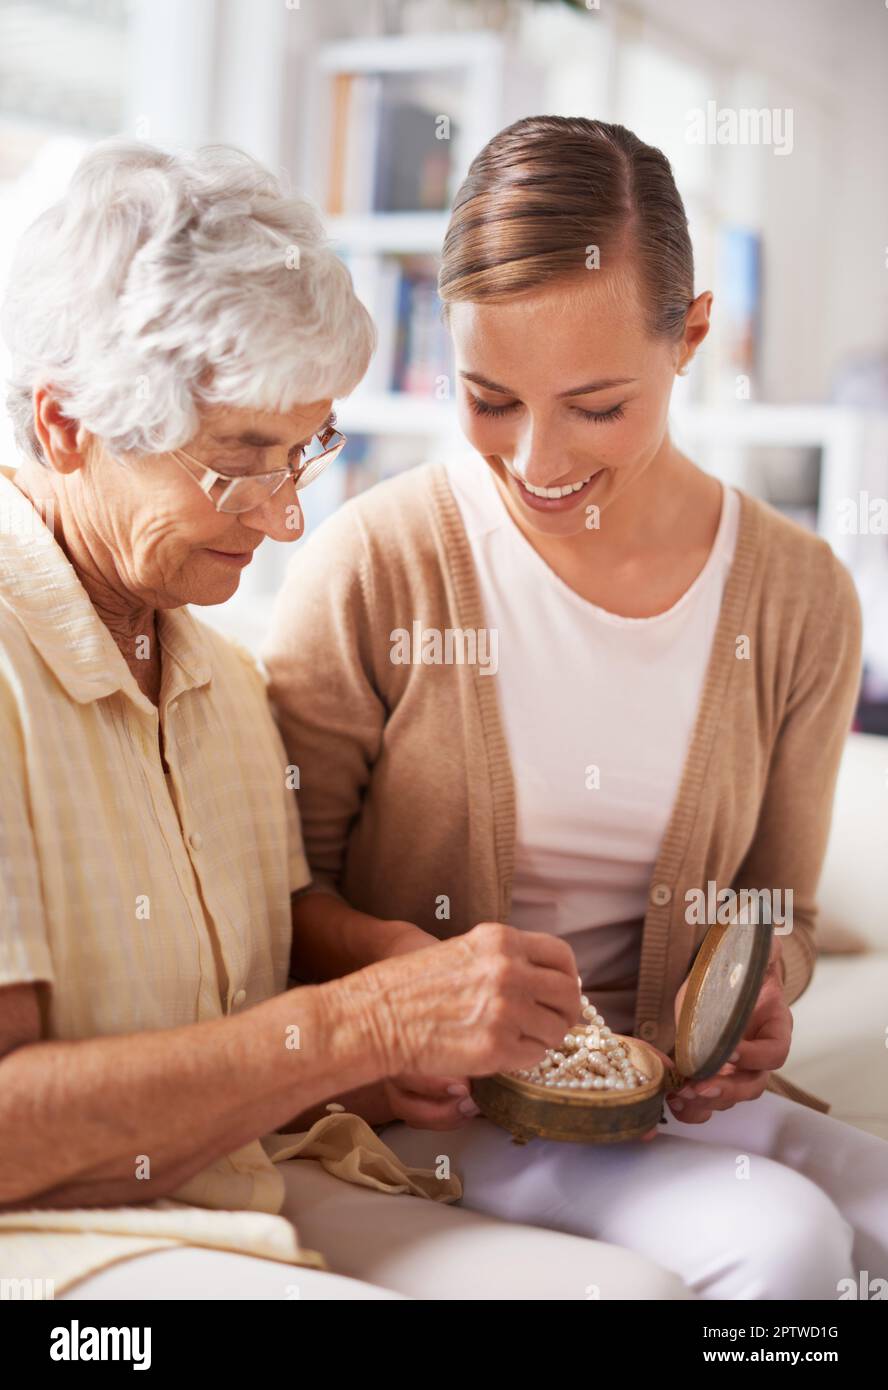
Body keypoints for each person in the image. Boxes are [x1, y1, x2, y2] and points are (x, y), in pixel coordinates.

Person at [0, 138, 693, 1302]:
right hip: (51, 1232)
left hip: (234, 1174)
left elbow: (265, 941)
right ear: (65, 425)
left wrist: (404, 987)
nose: (284, 520)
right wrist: (361, 1027)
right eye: (240, 462)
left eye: (305, 450)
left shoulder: (211, 666)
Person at [263, 116, 888, 1300]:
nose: (536, 460)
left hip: (668, 1100)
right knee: (790, 1247)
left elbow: (781, 904)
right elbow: (273, 902)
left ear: (693, 332)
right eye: (490, 397)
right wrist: (409, 980)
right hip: (446, 1108)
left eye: (595, 406)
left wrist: (762, 986)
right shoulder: (373, 566)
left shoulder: (801, 597)